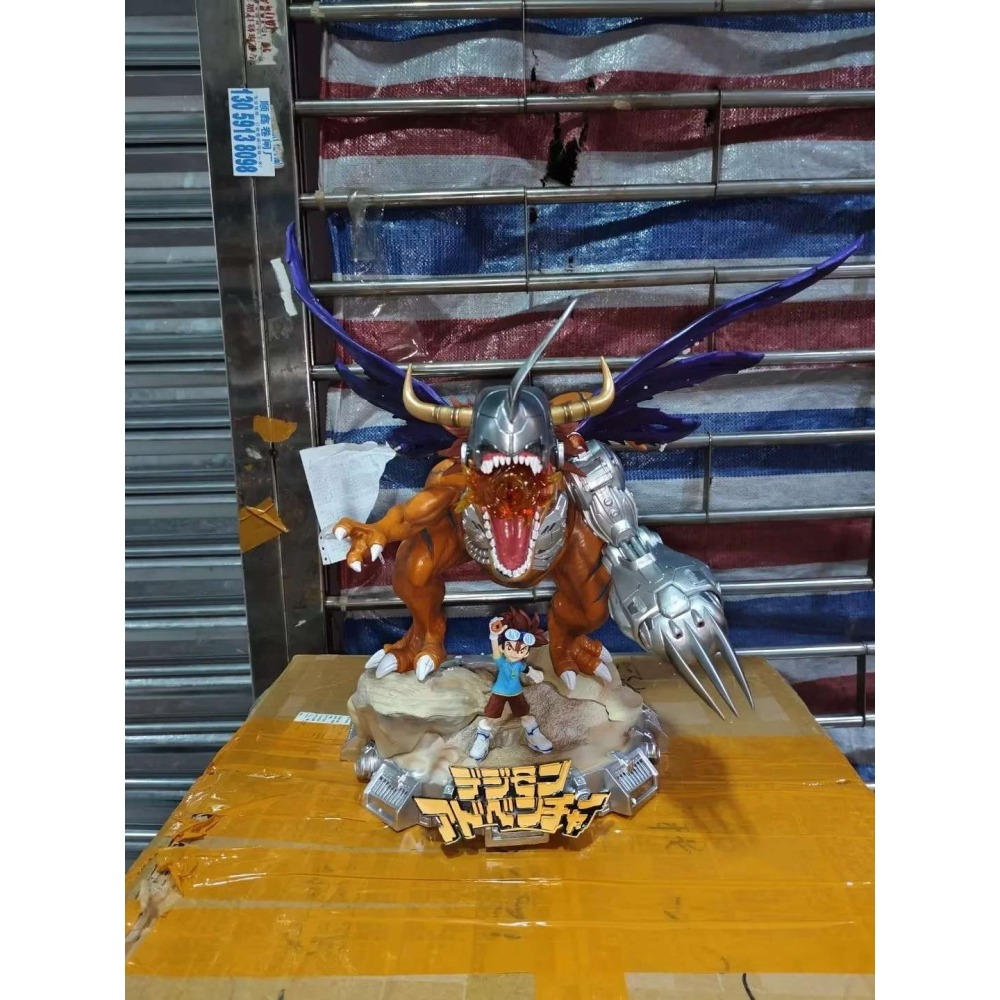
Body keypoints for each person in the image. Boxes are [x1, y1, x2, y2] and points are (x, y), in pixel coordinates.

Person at [469, 609, 554, 762]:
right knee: (490, 718)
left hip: (516, 693)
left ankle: (533, 735)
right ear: (503, 648)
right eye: (510, 647)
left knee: (525, 715)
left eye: (521, 650)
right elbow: (495, 651)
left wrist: (534, 673)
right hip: (499, 693)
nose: (515, 653)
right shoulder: (502, 661)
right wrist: (494, 636)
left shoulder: (520, 665)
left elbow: (526, 669)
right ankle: (482, 737)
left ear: (526, 653)